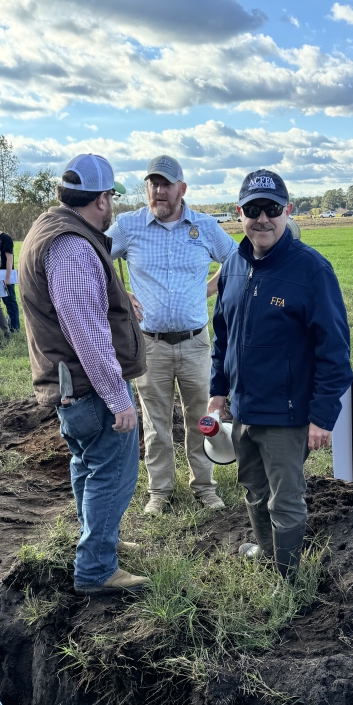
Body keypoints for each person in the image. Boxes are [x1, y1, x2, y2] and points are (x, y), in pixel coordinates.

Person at [207, 169, 352, 580]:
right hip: (242, 409)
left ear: (287, 210)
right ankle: (269, 556)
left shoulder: (312, 271)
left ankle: (287, 582)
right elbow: (224, 334)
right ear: (239, 213)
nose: (262, 218)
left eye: (271, 208)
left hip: (288, 415)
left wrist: (323, 416)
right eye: (253, 209)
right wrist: (219, 390)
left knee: (284, 500)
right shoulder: (234, 264)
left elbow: (335, 352)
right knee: (252, 487)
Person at [19, 153, 148, 593]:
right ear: (101, 199)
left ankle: (99, 542)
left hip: (70, 387)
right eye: (110, 196)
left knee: (86, 466)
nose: (111, 205)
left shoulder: (51, 229)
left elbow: (74, 305)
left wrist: (119, 298)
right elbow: (86, 334)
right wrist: (119, 398)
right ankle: (97, 569)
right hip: (90, 388)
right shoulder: (73, 246)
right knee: (112, 473)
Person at [107, 156, 237, 514]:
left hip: (196, 344)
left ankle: (205, 487)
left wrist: (208, 290)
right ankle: (159, 492)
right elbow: (93, 259)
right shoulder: (128, 225)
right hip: (150, 344)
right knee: (155, 422)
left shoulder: (205, 226)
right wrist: (121, 293)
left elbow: (237, 259)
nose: (159, 191)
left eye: (166, 184)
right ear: (146, 187)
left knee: (202, 418)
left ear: (182, 188)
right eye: (153, 183)